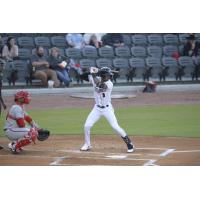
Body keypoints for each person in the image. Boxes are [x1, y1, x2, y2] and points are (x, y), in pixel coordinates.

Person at [80, 67, 134, 153]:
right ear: (102, 76)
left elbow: (100, 86)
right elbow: (82, 77)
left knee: (115, 126)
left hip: (107, 109)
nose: (109, 77)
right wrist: (90, 71)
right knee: (87, 126)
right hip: (97, 108)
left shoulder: (109, 84)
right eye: (107, 75)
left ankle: (129, 143)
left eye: (109, 76)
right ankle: (87, 144)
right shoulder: (95, 78)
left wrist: (94, 75)